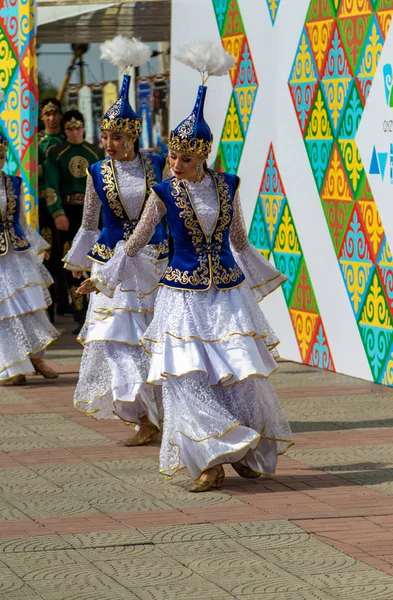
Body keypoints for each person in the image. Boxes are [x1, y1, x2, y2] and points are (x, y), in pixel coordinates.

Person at [78, 41, 293, 491]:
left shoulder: (228, 186)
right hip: (180, 297)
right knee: (184, 378)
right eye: (173, 156)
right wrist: (101, 278)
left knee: (241, 375)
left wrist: (261, 279)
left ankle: (245, 449)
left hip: (227, 296)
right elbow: (135, 243)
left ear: (204, 156)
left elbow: (238, 241)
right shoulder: (164, 193)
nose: (175, 164)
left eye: (186, 159)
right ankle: (209, 458)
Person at [64, 36, 169, 445]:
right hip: (109, 265)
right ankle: (141, 414)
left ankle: (159, 413)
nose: (108, 144)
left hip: (150, 263)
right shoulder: (95, 171)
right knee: (112, 339)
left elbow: (167, 211)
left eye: (116, 138)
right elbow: (90, 222)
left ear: (133, 135)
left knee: (149, 339)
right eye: (104, 137)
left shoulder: (158, 164)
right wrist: (77, 260)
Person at [0, 128, 59, 385]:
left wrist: (37, 246)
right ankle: (12, 366)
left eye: (0, 156)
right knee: (4, 311)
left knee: (30, 304)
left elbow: (21, 221)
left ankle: (36, 358)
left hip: (16, 252)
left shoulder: (14, 182)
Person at [43, 110, 104, 333]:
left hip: (94, 213)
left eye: (78, 127)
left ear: (84, 128)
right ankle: (79, 314)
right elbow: (50, 186)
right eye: (70, 128)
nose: (75, 132)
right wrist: (57, 212)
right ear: (65, 130)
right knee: (73, 265)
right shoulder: (56, 153)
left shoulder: (96, 152)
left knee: (99, 262)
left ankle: (97, 312)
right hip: (67, 214)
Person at [38, 97, 69, 321]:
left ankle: (66, 301)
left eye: (55, 113)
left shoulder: (68, 141)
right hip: (41, 207)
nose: (51, 118)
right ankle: (49, 304)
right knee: (46, 254)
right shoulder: (35, 143)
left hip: (67, 207)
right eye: (47, 114)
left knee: (65, 253)